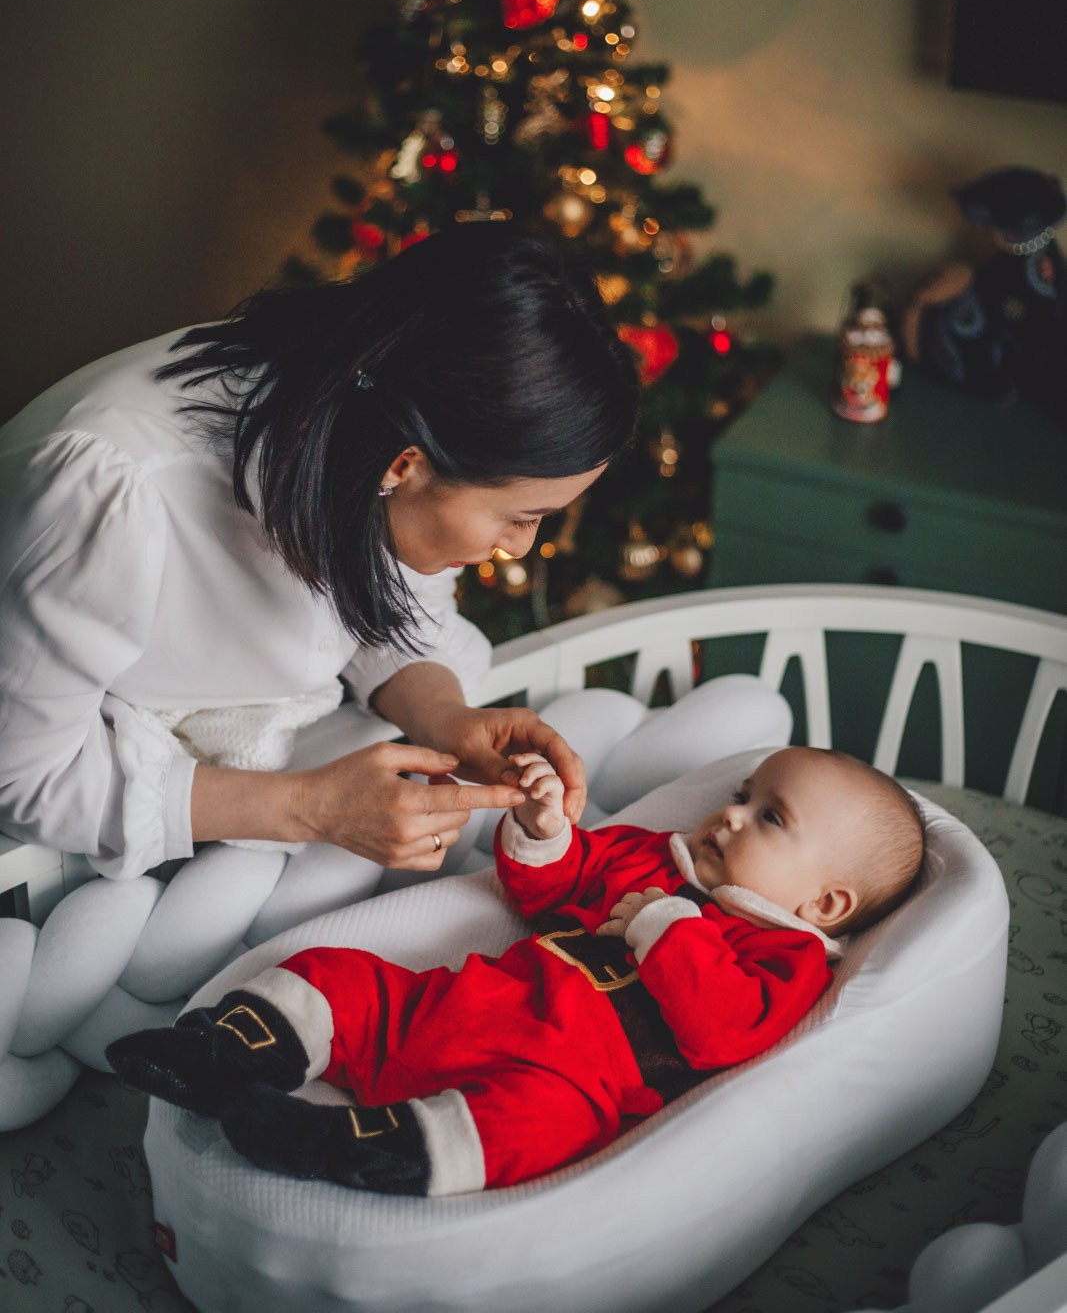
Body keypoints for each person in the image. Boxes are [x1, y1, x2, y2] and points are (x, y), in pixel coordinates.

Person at [0, 225, 638, 882]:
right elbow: (22, 775)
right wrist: (309, 808)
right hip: (72, 819)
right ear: (406, 465)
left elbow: (377, 602)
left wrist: (445, 716)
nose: (520, 548)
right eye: (519, 517)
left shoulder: (371, 425)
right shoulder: (106, 493)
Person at [107, 744, 926, 1196]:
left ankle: (353, 1144)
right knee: (337, 972)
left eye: (768, 816)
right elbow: (549, 889)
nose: (730, 812)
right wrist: (544, 832)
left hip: (559, 1068)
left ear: (824, 904)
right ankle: (228, 1054)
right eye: (744, 792)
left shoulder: (782, 957)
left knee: (542, 1128)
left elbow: (721, 1033)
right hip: (466, 999)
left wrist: (666, 925)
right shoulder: (653, 859)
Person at [901, 166, 1066, 421]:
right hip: (1011, 328)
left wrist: (959, 286)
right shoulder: (1028, 252)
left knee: (961, 324)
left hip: (1019, 362)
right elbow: (996, 280)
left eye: (993, 227)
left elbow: (1012, 311)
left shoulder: (1037, 273)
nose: (990, 233)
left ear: (1012, 229)